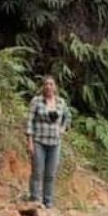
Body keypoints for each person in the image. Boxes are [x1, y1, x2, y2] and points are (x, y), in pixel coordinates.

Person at [25, 76, 71, 207]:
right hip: (39, 141)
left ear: (55, 87)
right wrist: (30, 141)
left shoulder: (61, 102)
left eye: (51, 84)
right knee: (37, 172)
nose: (48, 86)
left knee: (50, 174)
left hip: (55, 143)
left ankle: (48, 202)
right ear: (43, 87)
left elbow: (68, 117)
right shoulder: (37, 101)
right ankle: (34, 200)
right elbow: (29, 121)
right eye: (46, 84)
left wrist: (63, 129)